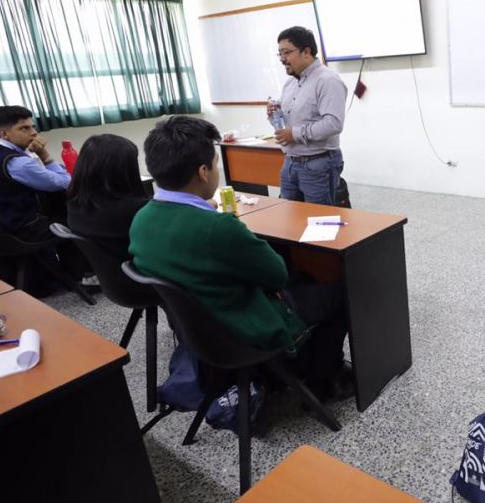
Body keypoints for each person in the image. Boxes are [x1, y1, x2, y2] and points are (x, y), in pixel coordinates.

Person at [130, 116, 352, 402]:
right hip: (241, 328)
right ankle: (323, 379)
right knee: (340, 292)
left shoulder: (141, 220)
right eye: (216, 163)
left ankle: (296, 364)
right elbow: (277, 275)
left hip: (198, 332)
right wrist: (226, 224)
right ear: (203, 172)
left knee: (303, 279)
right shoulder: (218, 227)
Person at [0, 105, 85, 290]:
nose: (34, 132)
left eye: (33, 127)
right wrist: (44, 154)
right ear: (4, 133)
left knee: (56, 208)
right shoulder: (17, 162)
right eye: (24, 128)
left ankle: (67, 273)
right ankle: (79, 276)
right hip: (19, 231)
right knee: (75, 219)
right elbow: (65, 183)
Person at [267, 26, 347, 205]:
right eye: (279, 53)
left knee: (318, 219)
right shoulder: (290, 83)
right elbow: (287, 124)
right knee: (290, 217)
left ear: (306, 52)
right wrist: (274, 116)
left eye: (286, 52)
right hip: (290, 162)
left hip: (318, 164)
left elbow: (333, 123)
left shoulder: (327, 80)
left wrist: (294, 134)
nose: (282, 59)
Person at [66, 134, 149, 261]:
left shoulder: (75, 204)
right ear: (125, 169)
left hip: (112, 271)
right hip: (143, 268)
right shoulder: (136, 210)